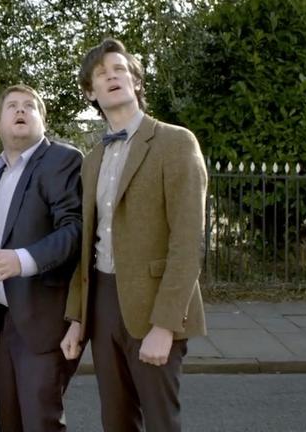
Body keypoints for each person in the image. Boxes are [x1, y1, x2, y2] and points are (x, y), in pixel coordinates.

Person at [60, 38, 208, 432]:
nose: (112, 76)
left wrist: (165, 324)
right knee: (117, 420)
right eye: (101, 74)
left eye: (120, 69)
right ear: (91, 92)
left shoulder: (175, 142)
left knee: (161, 422)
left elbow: (188, 241)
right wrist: (77, 318)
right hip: (103, 302)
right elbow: (87, 246)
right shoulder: (92, 160)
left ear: (137, 83)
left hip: (155, 304)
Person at [0, 84, 83, 432]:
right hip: (6, 319)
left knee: (41, 423)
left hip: (44, 318)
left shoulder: (61, 159)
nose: (20, 111)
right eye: (12, 106)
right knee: (10, 420)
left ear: (43, 120)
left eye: (29, 106)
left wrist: (23, 260)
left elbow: (75, 229)